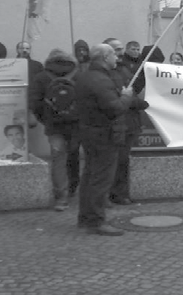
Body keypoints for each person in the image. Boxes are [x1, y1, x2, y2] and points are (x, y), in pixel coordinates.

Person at [76, 44, 148, 236]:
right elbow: (115, 108)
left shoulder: (87, 75)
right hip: (103, 135)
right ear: (104, 57)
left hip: (91, 133)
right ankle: (96, 221)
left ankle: (86, 218)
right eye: (114, 55)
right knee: (100, 180)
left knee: (90, 177)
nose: (117, 57)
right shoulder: (100, 79)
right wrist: (125, 97)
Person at [30, 48, 80, 211]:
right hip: (75, 124)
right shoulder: (77, 74)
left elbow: (35, 103)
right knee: (73, 155)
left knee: (58, 159)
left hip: (54, 126)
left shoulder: (42, 77)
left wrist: (45, 120)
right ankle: (73, 187)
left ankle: (61, 197)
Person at [104, 38, 140, 206]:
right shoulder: (106, 74)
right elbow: (118, 97)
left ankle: (120, 193)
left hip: (129, 122)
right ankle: (110, 194)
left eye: (120, 49)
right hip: (116, 124)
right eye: (116, 50)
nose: (119, 52)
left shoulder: (124, 69)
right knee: (113, 161)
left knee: (124, 160)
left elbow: (133, 91)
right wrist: (138, 103)